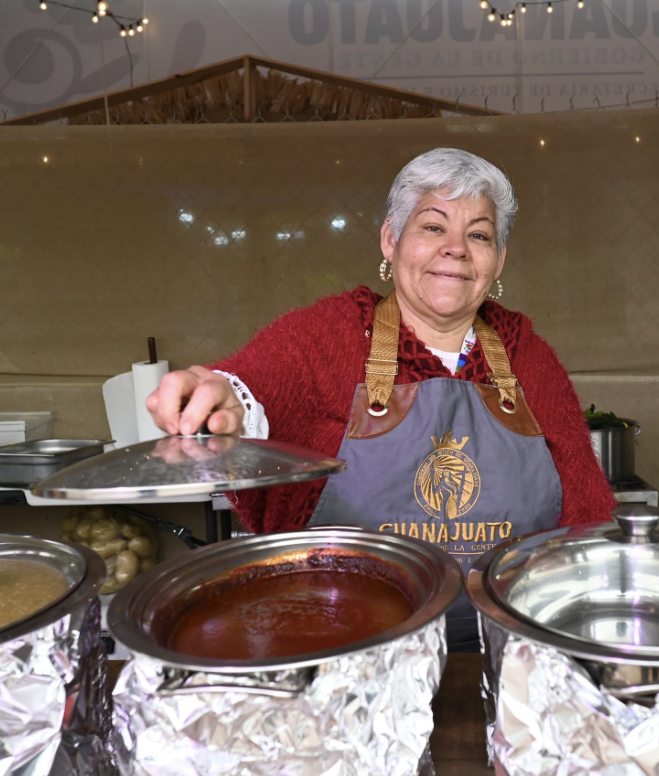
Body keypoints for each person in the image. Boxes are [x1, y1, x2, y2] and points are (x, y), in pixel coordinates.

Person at [146, 148, 616, 651]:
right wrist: (224, 399)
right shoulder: (327, 334)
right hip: (344, 655)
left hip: (504, 657)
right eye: (433, 227)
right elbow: (254, 391)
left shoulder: (528, 356)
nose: (455, 248)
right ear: (391, 240)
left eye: (478, 235)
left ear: (497, 260)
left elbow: (586, 515)